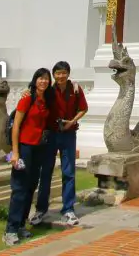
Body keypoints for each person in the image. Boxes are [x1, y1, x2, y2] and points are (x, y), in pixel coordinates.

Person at [31, 60, 88, 227]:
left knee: (68, 172)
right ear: (54, 75)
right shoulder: (49, 90)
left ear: (68, 74)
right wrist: (26, 93)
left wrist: (72, 121)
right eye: (57, 73)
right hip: (51, 134)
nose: (61, 76)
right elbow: (35, 97)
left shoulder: (75, 89)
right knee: (46, 172)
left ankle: (68, 209)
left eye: (64, 73)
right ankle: (41, 209)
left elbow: (83, 108)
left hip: (68, 134)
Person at [3, 68, 55, 247]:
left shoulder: (45, 100)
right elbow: (16, 125)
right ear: (35, 80)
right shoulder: (27, 98)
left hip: (38, 148)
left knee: (31, 186)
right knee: (19, 188)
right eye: (41, 78)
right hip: (24, 147)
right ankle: (10, 229)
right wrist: (15, 152)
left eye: (46, 79)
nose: (43, 81)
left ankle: (21, 225)